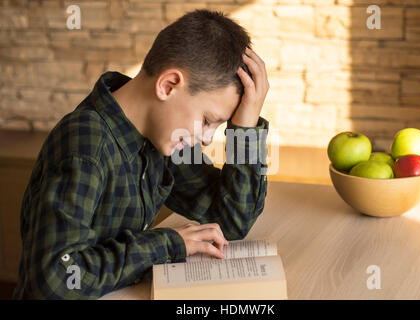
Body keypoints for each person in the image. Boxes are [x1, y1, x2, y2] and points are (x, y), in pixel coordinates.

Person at [12, 9, 270, 299]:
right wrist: (166, 245)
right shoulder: (85, 146)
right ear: (168, 85)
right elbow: (55, 279)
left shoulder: (164, 137)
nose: (208, 139)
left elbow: (232, 221)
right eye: (208, 120)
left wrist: (245, 128)